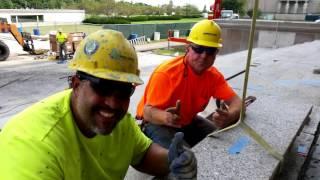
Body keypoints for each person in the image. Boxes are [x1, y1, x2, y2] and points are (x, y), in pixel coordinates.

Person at [0, 30, 197, 180]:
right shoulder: (36, 146)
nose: (112, 103)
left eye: (123, 92)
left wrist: (174, 160)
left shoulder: (121, 124)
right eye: (102, 88)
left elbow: (142, 154)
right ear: (76, 85)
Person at [136, 19, 242, 149]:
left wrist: (230, 115)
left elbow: (237, 102)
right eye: (198, 49)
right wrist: (166, 117)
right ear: (188, 48)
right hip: (156, 124)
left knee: (219, 141)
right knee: (186, 159)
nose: (203, 56)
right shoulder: (166, 74)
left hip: (187, 122)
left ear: (216, 53)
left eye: (210, 51)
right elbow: (147, 112)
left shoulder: (213, 76)